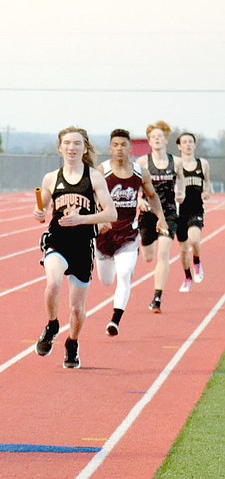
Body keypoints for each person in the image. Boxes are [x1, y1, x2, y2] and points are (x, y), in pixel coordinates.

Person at [34, 126, 116, 369]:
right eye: (67, 143)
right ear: (60, 147)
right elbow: (41, 208)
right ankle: (52, 325)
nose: (72, 147)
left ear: (84, 147)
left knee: (77, 309)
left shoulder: (94, 178)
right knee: (54, 282)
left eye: (77, 143)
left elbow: (110, 213)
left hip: (82, 246)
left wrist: (82, 219)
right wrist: (38, 211)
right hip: (57, 240)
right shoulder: (51, 177)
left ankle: (72, 342)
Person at [95, 129, 167, 336]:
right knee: (106, 280)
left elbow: (152, 196)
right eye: (115, 145)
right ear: (110, 148)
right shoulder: (102, 171)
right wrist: (96, 220)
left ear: (130, 147)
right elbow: (90, 198)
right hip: (104, 235)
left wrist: (161, 217)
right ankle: (116, 266)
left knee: (125, 274)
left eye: (123, 145)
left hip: (128, 233)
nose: (119, 149)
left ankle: (115, 320)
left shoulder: (139, 172)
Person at [135, 120, 184, 313]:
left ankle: (157, 298)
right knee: (148, 256)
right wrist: (139, 200)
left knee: (163, 254)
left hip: (169, 213)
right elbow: (136, 185)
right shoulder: (142, 162)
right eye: (153, 137)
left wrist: (182, 194)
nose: (157, 140)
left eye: (160, 137)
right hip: (148, 213)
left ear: (165, 139)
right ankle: (140, 245)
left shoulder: (176, 162)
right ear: (149, 140)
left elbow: (181, 183)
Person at [175, 132, 210, 292]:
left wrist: (206, 192)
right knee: (182, 250)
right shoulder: (176, 165)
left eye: (190, 142)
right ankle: (187, 277)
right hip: (179, 212)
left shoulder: (202, 164)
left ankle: (197, 262)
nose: (188, 145)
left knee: (194, 240)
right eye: (184, 142)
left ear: (194, 145)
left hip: (196, 210)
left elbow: (207, 182)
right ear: (179, 146)